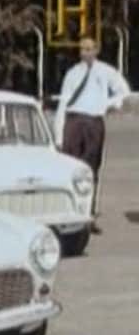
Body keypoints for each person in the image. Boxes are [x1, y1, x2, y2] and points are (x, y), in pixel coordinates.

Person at [54, 36, 130, 234]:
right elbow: (64, 102)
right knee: (71, 168)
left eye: (89, 49)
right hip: (74, 121)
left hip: (94, 123)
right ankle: (70, 212)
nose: (86, 53)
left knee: (91, 169)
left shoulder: (105, 72)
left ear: (97, 50)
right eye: (82, 49)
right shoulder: (72, 73)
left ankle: (89, 214)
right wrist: (58, 135)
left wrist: (108, 104)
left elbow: (123, 91)